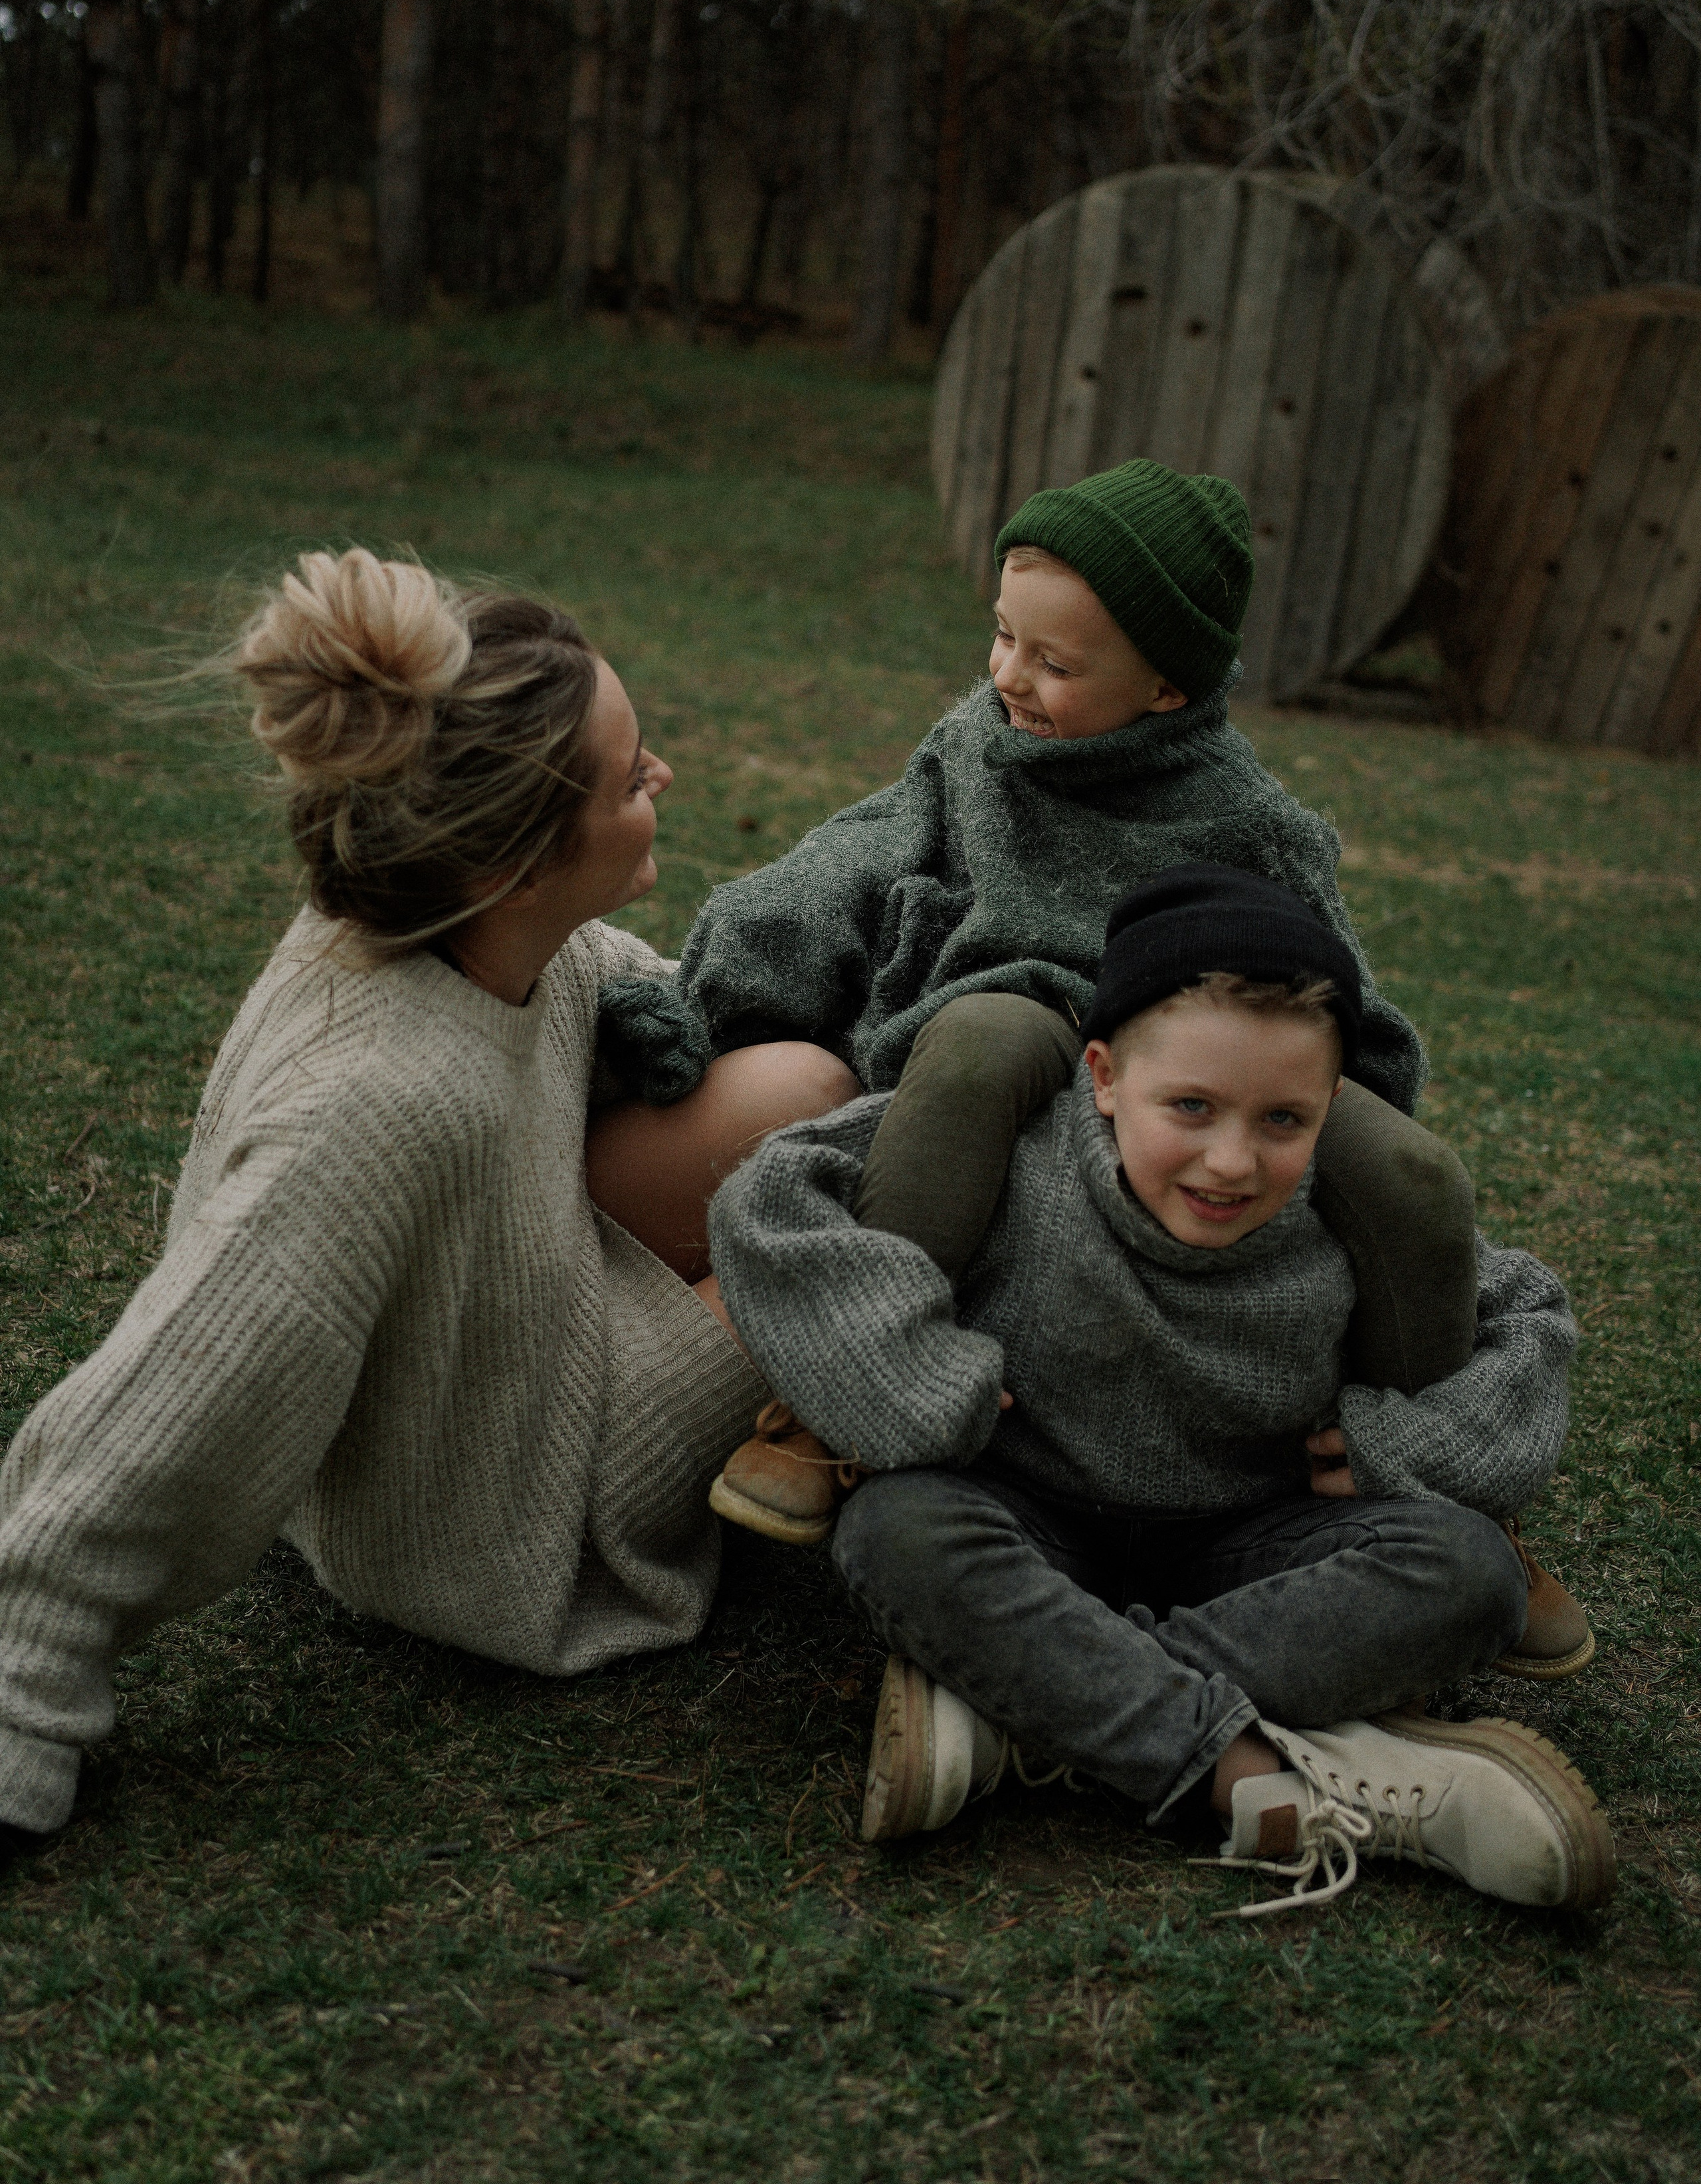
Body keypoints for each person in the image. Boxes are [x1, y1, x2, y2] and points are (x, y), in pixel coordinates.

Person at [593, 457, 1589, 1680]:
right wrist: (702, 1001)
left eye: (1054, 664)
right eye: (1004, 638)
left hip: (1200, 1065)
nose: (1010, 675)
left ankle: (1435, 1477)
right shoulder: (973, 755)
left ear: (1169, 684)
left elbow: (1338, 995)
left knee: (1411, 1166)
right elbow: (830, 874)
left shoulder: (1255, 822)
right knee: (981, 1043)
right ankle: (840, 1402)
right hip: (1020, 1032)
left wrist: (1332, 1098)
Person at [0, 551, 857, 1846]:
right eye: (631, 778)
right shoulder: (375, 1107)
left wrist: (644, 1006)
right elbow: (178, 1389)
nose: (662, 779)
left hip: (526, 1311)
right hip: (509, 1501)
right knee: (834, 1231)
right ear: (514, 866)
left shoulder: (459, 918)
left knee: (803, 1088)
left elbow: (580, 969)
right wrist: (24, 1691)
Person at [707, 866, 1615, 1915]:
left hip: (1251, 1548)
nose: (1232, 1161)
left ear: (1331, 1108)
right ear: (1101, 1075)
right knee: (893, 1531)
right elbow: (771, 1199)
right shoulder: (1025, 1149)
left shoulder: (1345, 1211)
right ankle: (1244, 1770)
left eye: (1285, 1120)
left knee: (1472, 1570)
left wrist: (1410, 1445)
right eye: (1191, 1106)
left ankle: (1024, 1717)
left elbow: (1530, 1318)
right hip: (1020, 1511)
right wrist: (906, 1375)